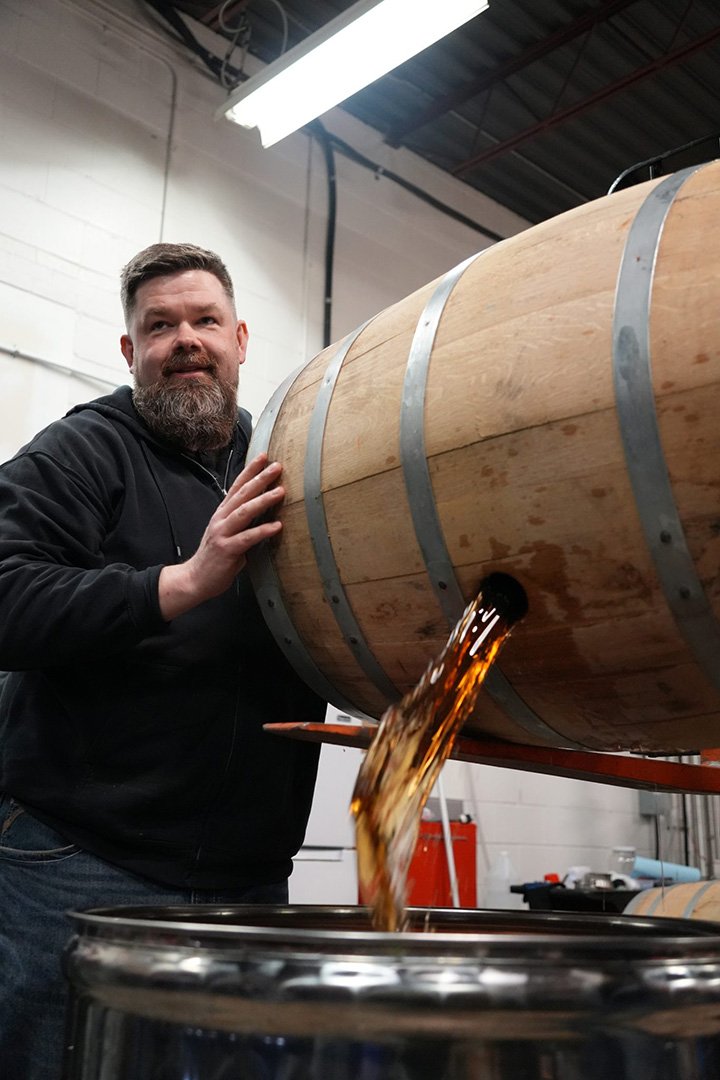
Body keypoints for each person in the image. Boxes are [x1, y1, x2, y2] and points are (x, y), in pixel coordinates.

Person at [0, 242, 326, 1079]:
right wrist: (181, 583)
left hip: (249, 883)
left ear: (241, 339)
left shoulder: (283, 463)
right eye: (160, 325)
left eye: (204, 320)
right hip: (81, 869)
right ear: (130, 351)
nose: (186, 338)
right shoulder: (84, 453)